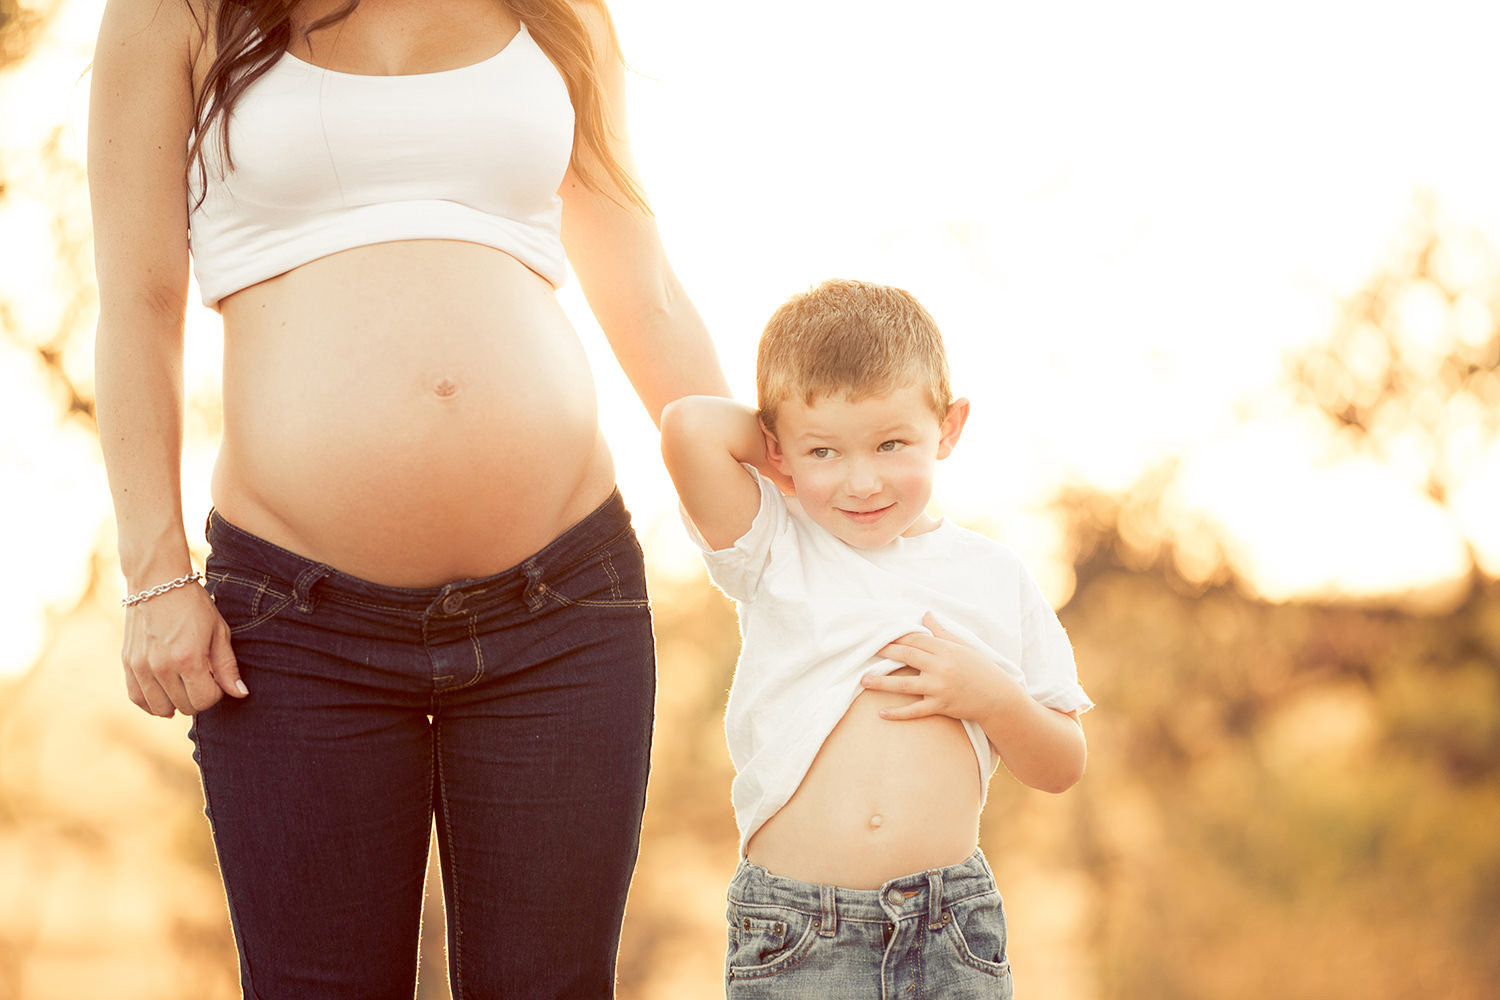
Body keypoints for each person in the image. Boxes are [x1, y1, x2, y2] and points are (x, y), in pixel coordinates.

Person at [87, 0, 729, 995]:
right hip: (295, 625)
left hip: (565, 607)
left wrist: (778, 538)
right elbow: (136, 300)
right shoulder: (172, 13)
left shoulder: (559, 12)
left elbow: (643, 288)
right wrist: (153, 573)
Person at [660, 279, 1092, 997]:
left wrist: (992, 698)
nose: (861, 482)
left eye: (892, 443)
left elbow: (1063, 762)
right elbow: (688, 429)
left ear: (948, 429)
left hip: (950, 927)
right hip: (797, 930)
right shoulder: (777, 546)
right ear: (777, 451)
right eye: (826, 452)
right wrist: (790, 454)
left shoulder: (993, 574)